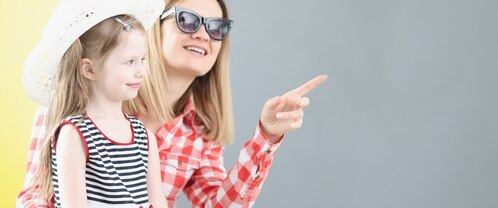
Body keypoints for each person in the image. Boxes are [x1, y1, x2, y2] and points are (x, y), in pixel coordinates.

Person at [18, 0, 328, 207]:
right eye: (189, 20)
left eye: (217, 27)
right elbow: (37, 196)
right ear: (154, 28)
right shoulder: (76, 101)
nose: (205, 34)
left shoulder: (197, 135)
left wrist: (267, 136)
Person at [19, 0, 168, 207]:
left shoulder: (144, 137)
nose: (141, 71)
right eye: (129, 62)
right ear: (89, 69)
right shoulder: (75, 135)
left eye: (143, 60)